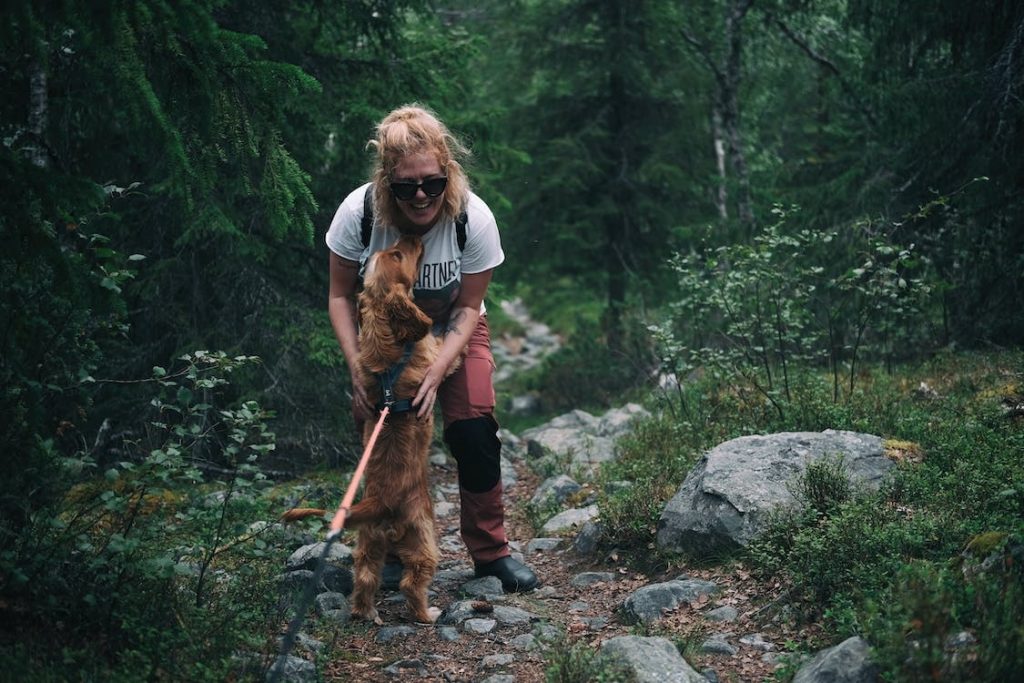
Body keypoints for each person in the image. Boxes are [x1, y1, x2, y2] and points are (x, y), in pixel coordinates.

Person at [325, 104, 538, 592]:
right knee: (385, 440)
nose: (420, 196)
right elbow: (339, 296)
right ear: (387, 182)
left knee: (473, 428)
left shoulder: (473, 218)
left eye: (431, 183)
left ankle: (491, 553)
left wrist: (438, 370)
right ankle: (397, 550)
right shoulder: (359, 215)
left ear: (448, 171)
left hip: (454, 333)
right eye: (405, 186)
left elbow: (468, 308)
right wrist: (358, 367)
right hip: (385, 343)